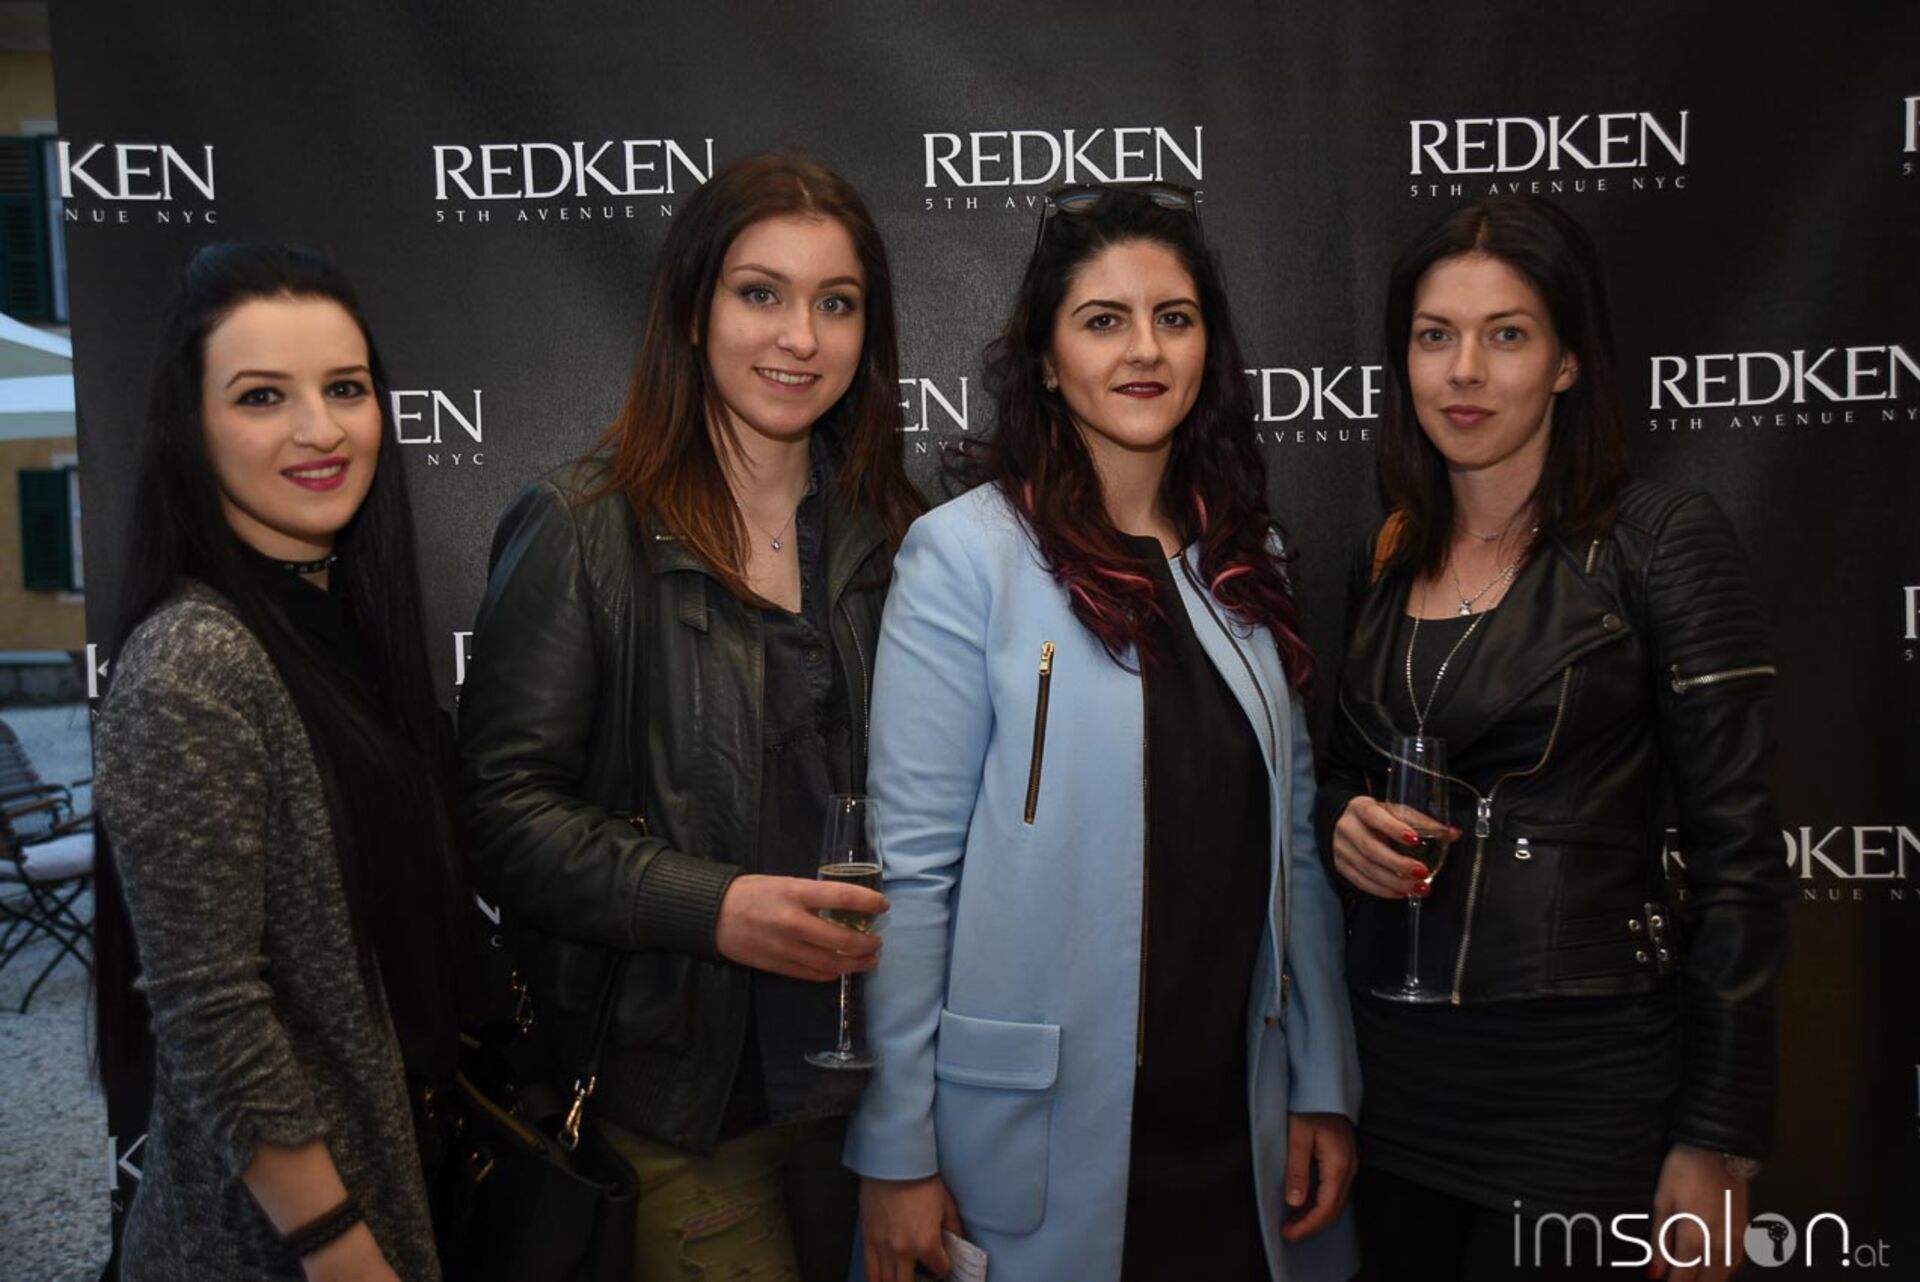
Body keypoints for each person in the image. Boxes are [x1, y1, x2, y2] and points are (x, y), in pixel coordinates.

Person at [846, 185, 1361, 1282]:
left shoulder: (1247, 561)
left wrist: (1321, 1079)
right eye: (1102, 320)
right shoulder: (964, 557)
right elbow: (914, 879)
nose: (1145, 350)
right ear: (1045, 359)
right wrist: (894, 1145)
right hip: (1032, 1141)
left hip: (1239, 1132)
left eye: (1174, 317)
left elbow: (1294, 851)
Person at [458, 152, 923, 1282]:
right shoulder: (583, 529)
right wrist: (710, 906)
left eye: (836, 303)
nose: (799, 337)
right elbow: (501, 814)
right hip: (673, 1105)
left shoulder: (903, 535)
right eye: (761, 293)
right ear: (692, 306)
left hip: (873, 1093)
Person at [1317, 195, 1789, 1282]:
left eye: (1507, 334)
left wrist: (1717, 1136)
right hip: (1392, 1084)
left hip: (1585, 1090)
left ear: (1569, 361)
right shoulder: (1384, 558)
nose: (1464, 371)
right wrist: (1341, 820)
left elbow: (1741, 860)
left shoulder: (1662, 544)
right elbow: (1338, 770)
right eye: (1435, 336)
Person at [92, 244, 471, 1282]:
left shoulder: (341, 627)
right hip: (276, 1247)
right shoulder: (193, 664)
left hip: (400, 1189)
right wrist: (337, 1249)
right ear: (190, 426)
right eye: (263, 395)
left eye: (345, 388)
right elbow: (213, 1012)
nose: (321, 429)